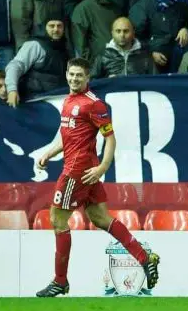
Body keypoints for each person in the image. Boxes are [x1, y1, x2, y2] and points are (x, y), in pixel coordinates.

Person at [35, 58, 160, 297]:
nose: (74, 79)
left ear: (87, 77)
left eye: (79, 75)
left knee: (57, 220)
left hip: (77, 170)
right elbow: (67, 136)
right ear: (66, 74)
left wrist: (103, 167)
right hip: (83, 168)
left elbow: (111, 138)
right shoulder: (68, 100)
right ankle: (145, 257)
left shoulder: (94, 105)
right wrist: (49, 153)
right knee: (101, 218)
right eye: (71, 74)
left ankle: (60, 280)